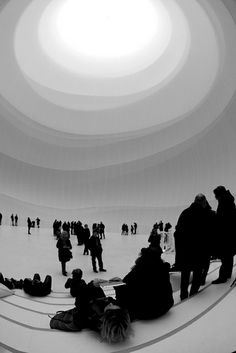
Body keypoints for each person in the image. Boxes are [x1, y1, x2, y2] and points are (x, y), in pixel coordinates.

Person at [50, 279, 132, 343]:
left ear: (103, 317)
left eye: (110, 307)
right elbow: (121, 302)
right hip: (98, 301)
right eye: (115, 306)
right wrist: (119, 285)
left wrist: (91, 285)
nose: (111, 304)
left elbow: (79, 302)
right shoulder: (118, 315)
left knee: (81, 283)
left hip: (89, 299)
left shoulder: (89, 317)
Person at [174, 194, 215, 300]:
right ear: (204, 202)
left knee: (185, 274)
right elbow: (211, 233)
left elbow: (178, 232)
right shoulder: (207, 215)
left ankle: (183, 295)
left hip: (186, 250)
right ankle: (193, 294)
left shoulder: (185, 213)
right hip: (201, 251)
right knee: (197, 273)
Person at [115, 246, 173, 320]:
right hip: (165, 306)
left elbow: (126, 284)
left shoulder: (139, 270)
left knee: (123, 291)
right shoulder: (163, 269)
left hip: (145, 312)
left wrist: (118, 285)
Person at [212, 186, 236, 284]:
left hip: (225, 234)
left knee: (225, 256)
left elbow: (223, 220)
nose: (215, 197)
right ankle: (228, 274)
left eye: (215, 195)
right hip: (230, 233)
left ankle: (223, 277)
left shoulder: (224, 203)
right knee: (229, 255)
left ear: (219, 195)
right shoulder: (229, 201)